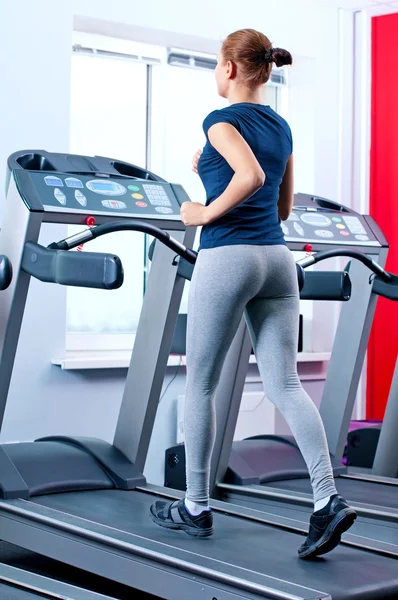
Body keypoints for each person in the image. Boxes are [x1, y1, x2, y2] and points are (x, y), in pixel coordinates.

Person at [150, 28, 357, 559]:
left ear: (232, 70)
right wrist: (211, 176)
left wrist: (202, 211)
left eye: (217, 64)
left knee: (200, 383)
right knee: (286, 384)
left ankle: (195, 506)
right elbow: (282, 207)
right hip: (276, 260)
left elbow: (250, 176)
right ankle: (326, 499)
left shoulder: (220, 120)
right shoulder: (280, 125)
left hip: (230, 256)